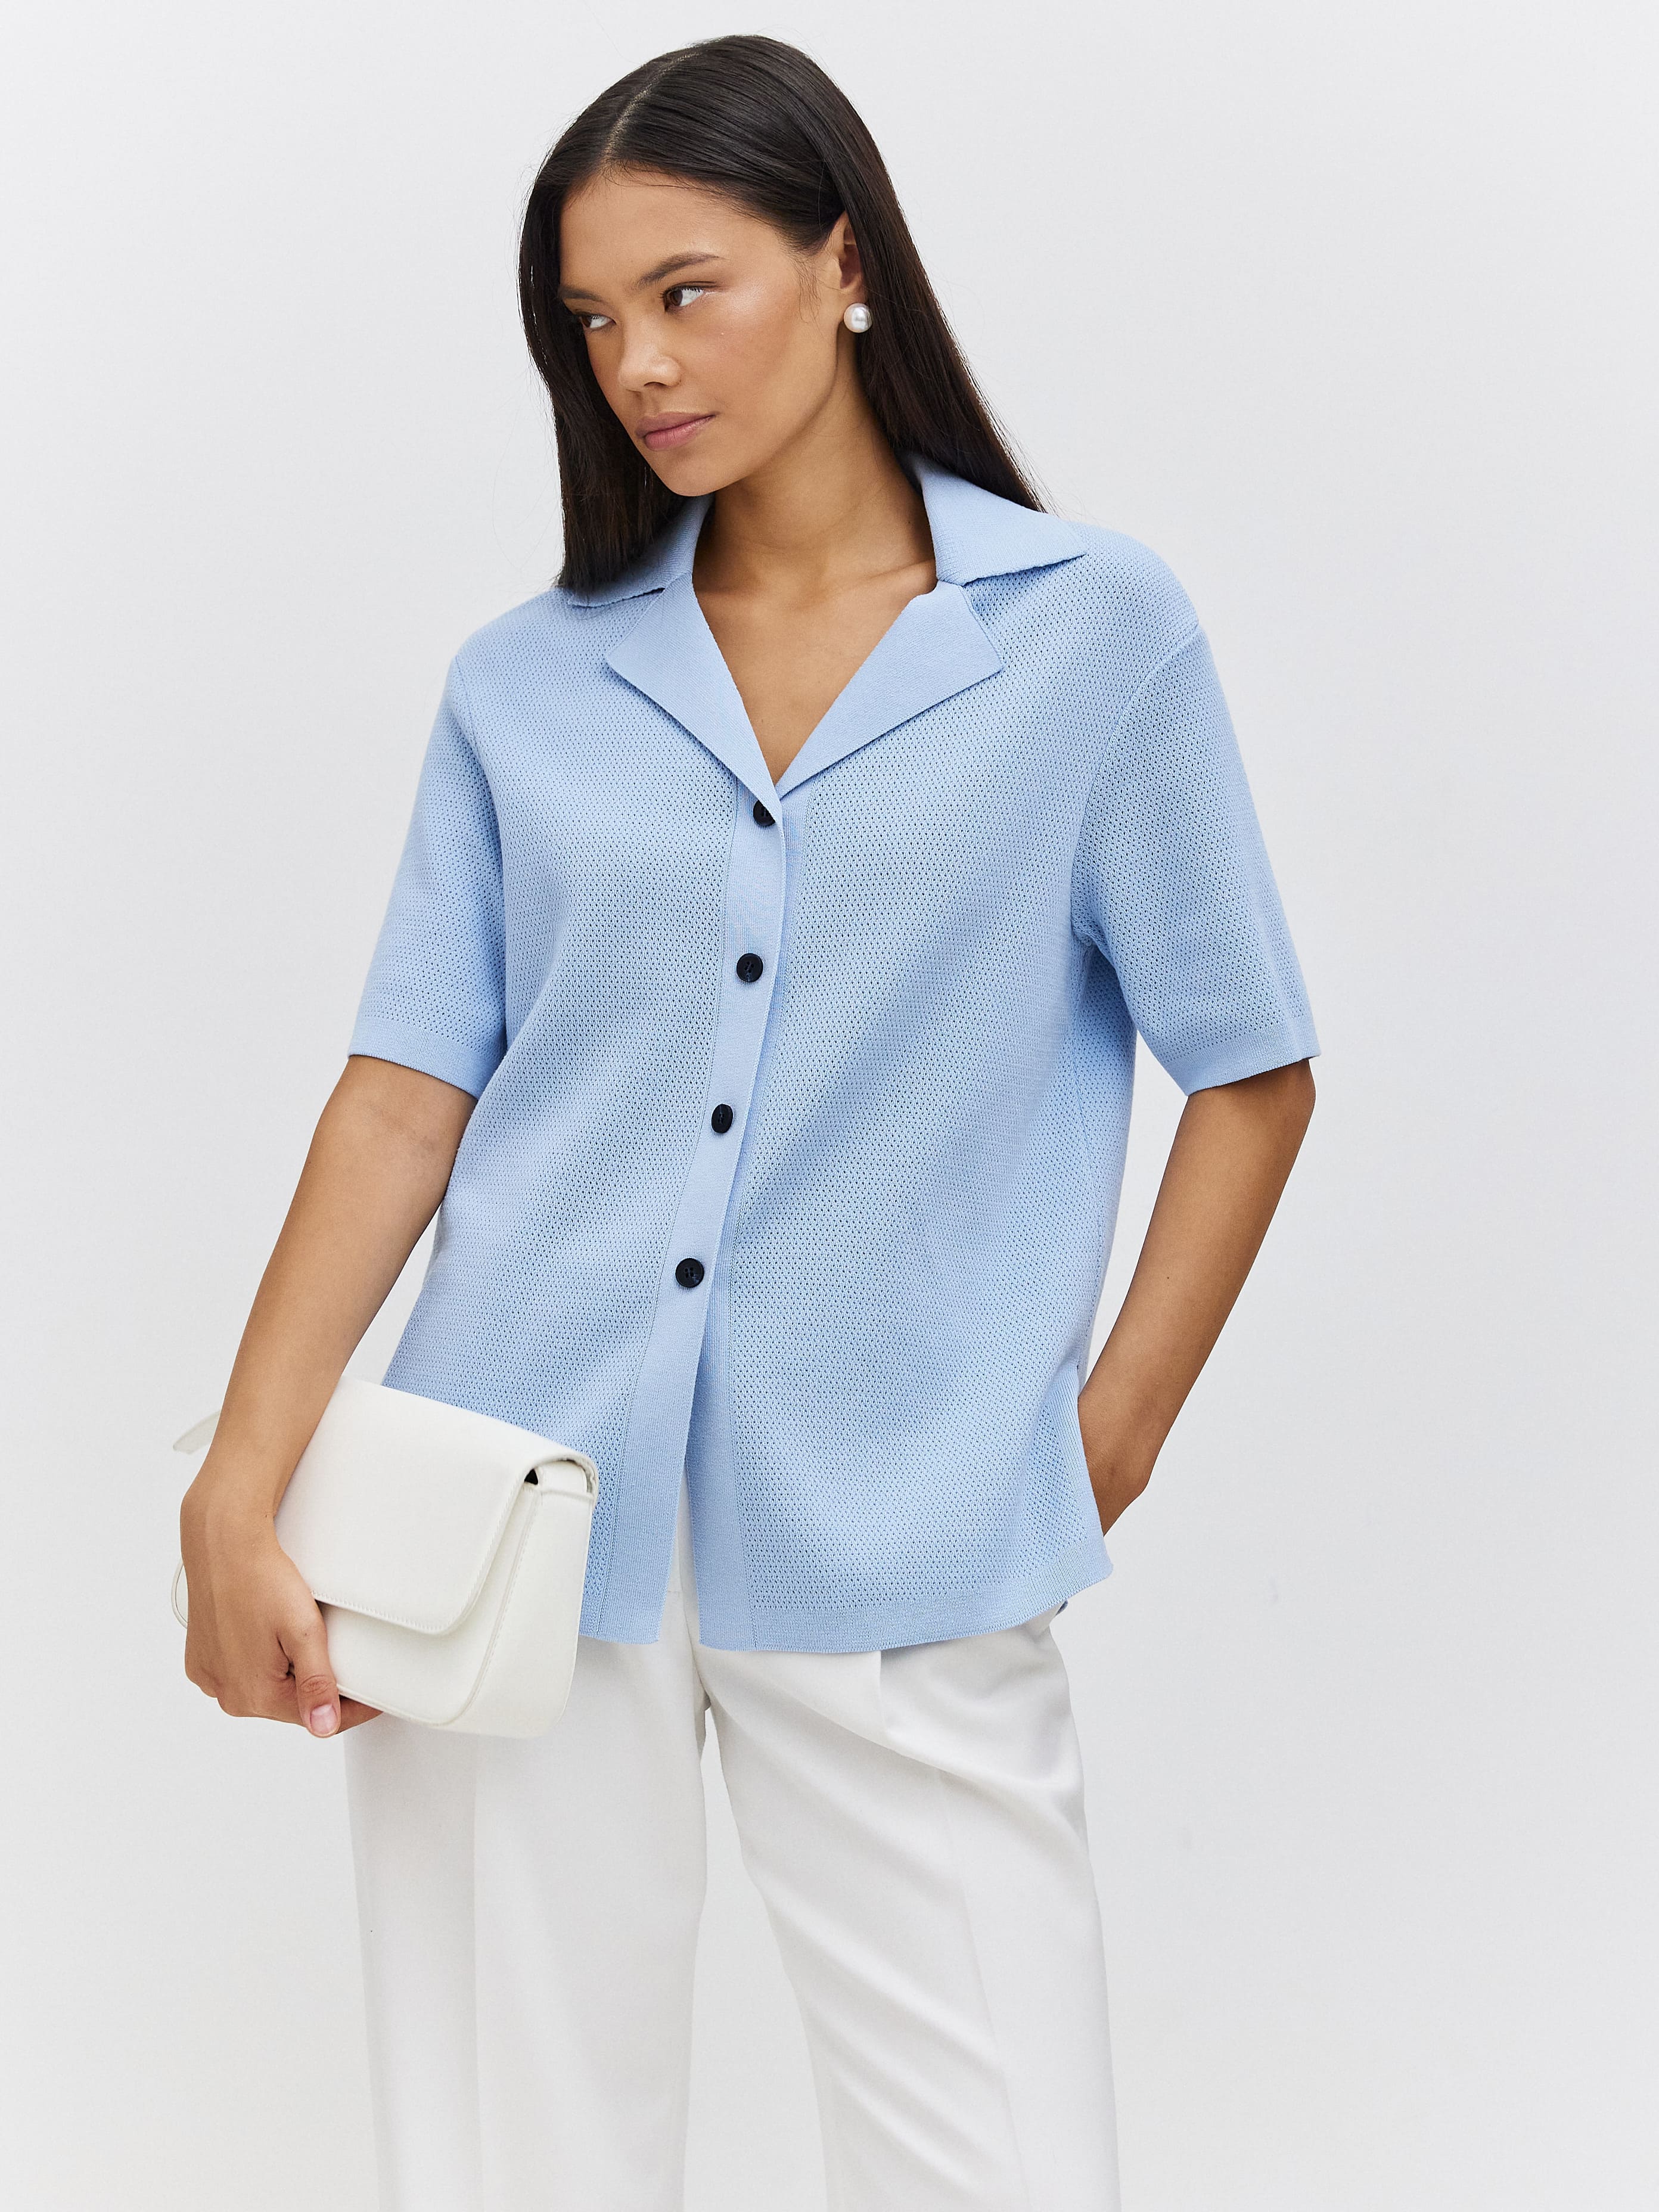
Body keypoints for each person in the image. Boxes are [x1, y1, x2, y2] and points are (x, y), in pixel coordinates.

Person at [179, 33, 1318, 2212]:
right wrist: (244, 1484)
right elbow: (406, 1096)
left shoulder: (1087, 638)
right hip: (508, 1507)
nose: (637, 365)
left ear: (846, 264)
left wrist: (1102, 1434)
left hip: (907, 1506)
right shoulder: (529, 681)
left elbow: (1251, 1069)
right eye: (592, 320)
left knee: (1007, 2163)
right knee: (511, 2163)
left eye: (686, 292)